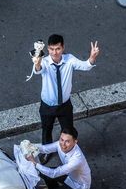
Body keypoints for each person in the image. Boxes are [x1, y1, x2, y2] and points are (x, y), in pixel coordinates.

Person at [33, 34, 100, 164]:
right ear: (47, 49)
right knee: (46, 130)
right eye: (51, 49)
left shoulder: (69, 60)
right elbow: (38, 70)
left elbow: (85, 66)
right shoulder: (44, 61)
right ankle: (47, 152)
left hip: (64, 105)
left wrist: (92, 57)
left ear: (63, 48)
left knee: (68, 130)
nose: (54, 52)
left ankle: (69, 153)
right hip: (47, 105)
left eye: (57, 49)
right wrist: (37, 63)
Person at [27, 127, 91, 189]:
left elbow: (54, 173)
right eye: (61, 139)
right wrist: (31, 146)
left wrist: (34, 163)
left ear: (75, 142)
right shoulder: (60, 143)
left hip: (78, 185)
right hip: (69, 174)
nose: (63, 144)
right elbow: (45, 149)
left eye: (67, 141)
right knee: (44, 173)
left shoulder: (77, 159)